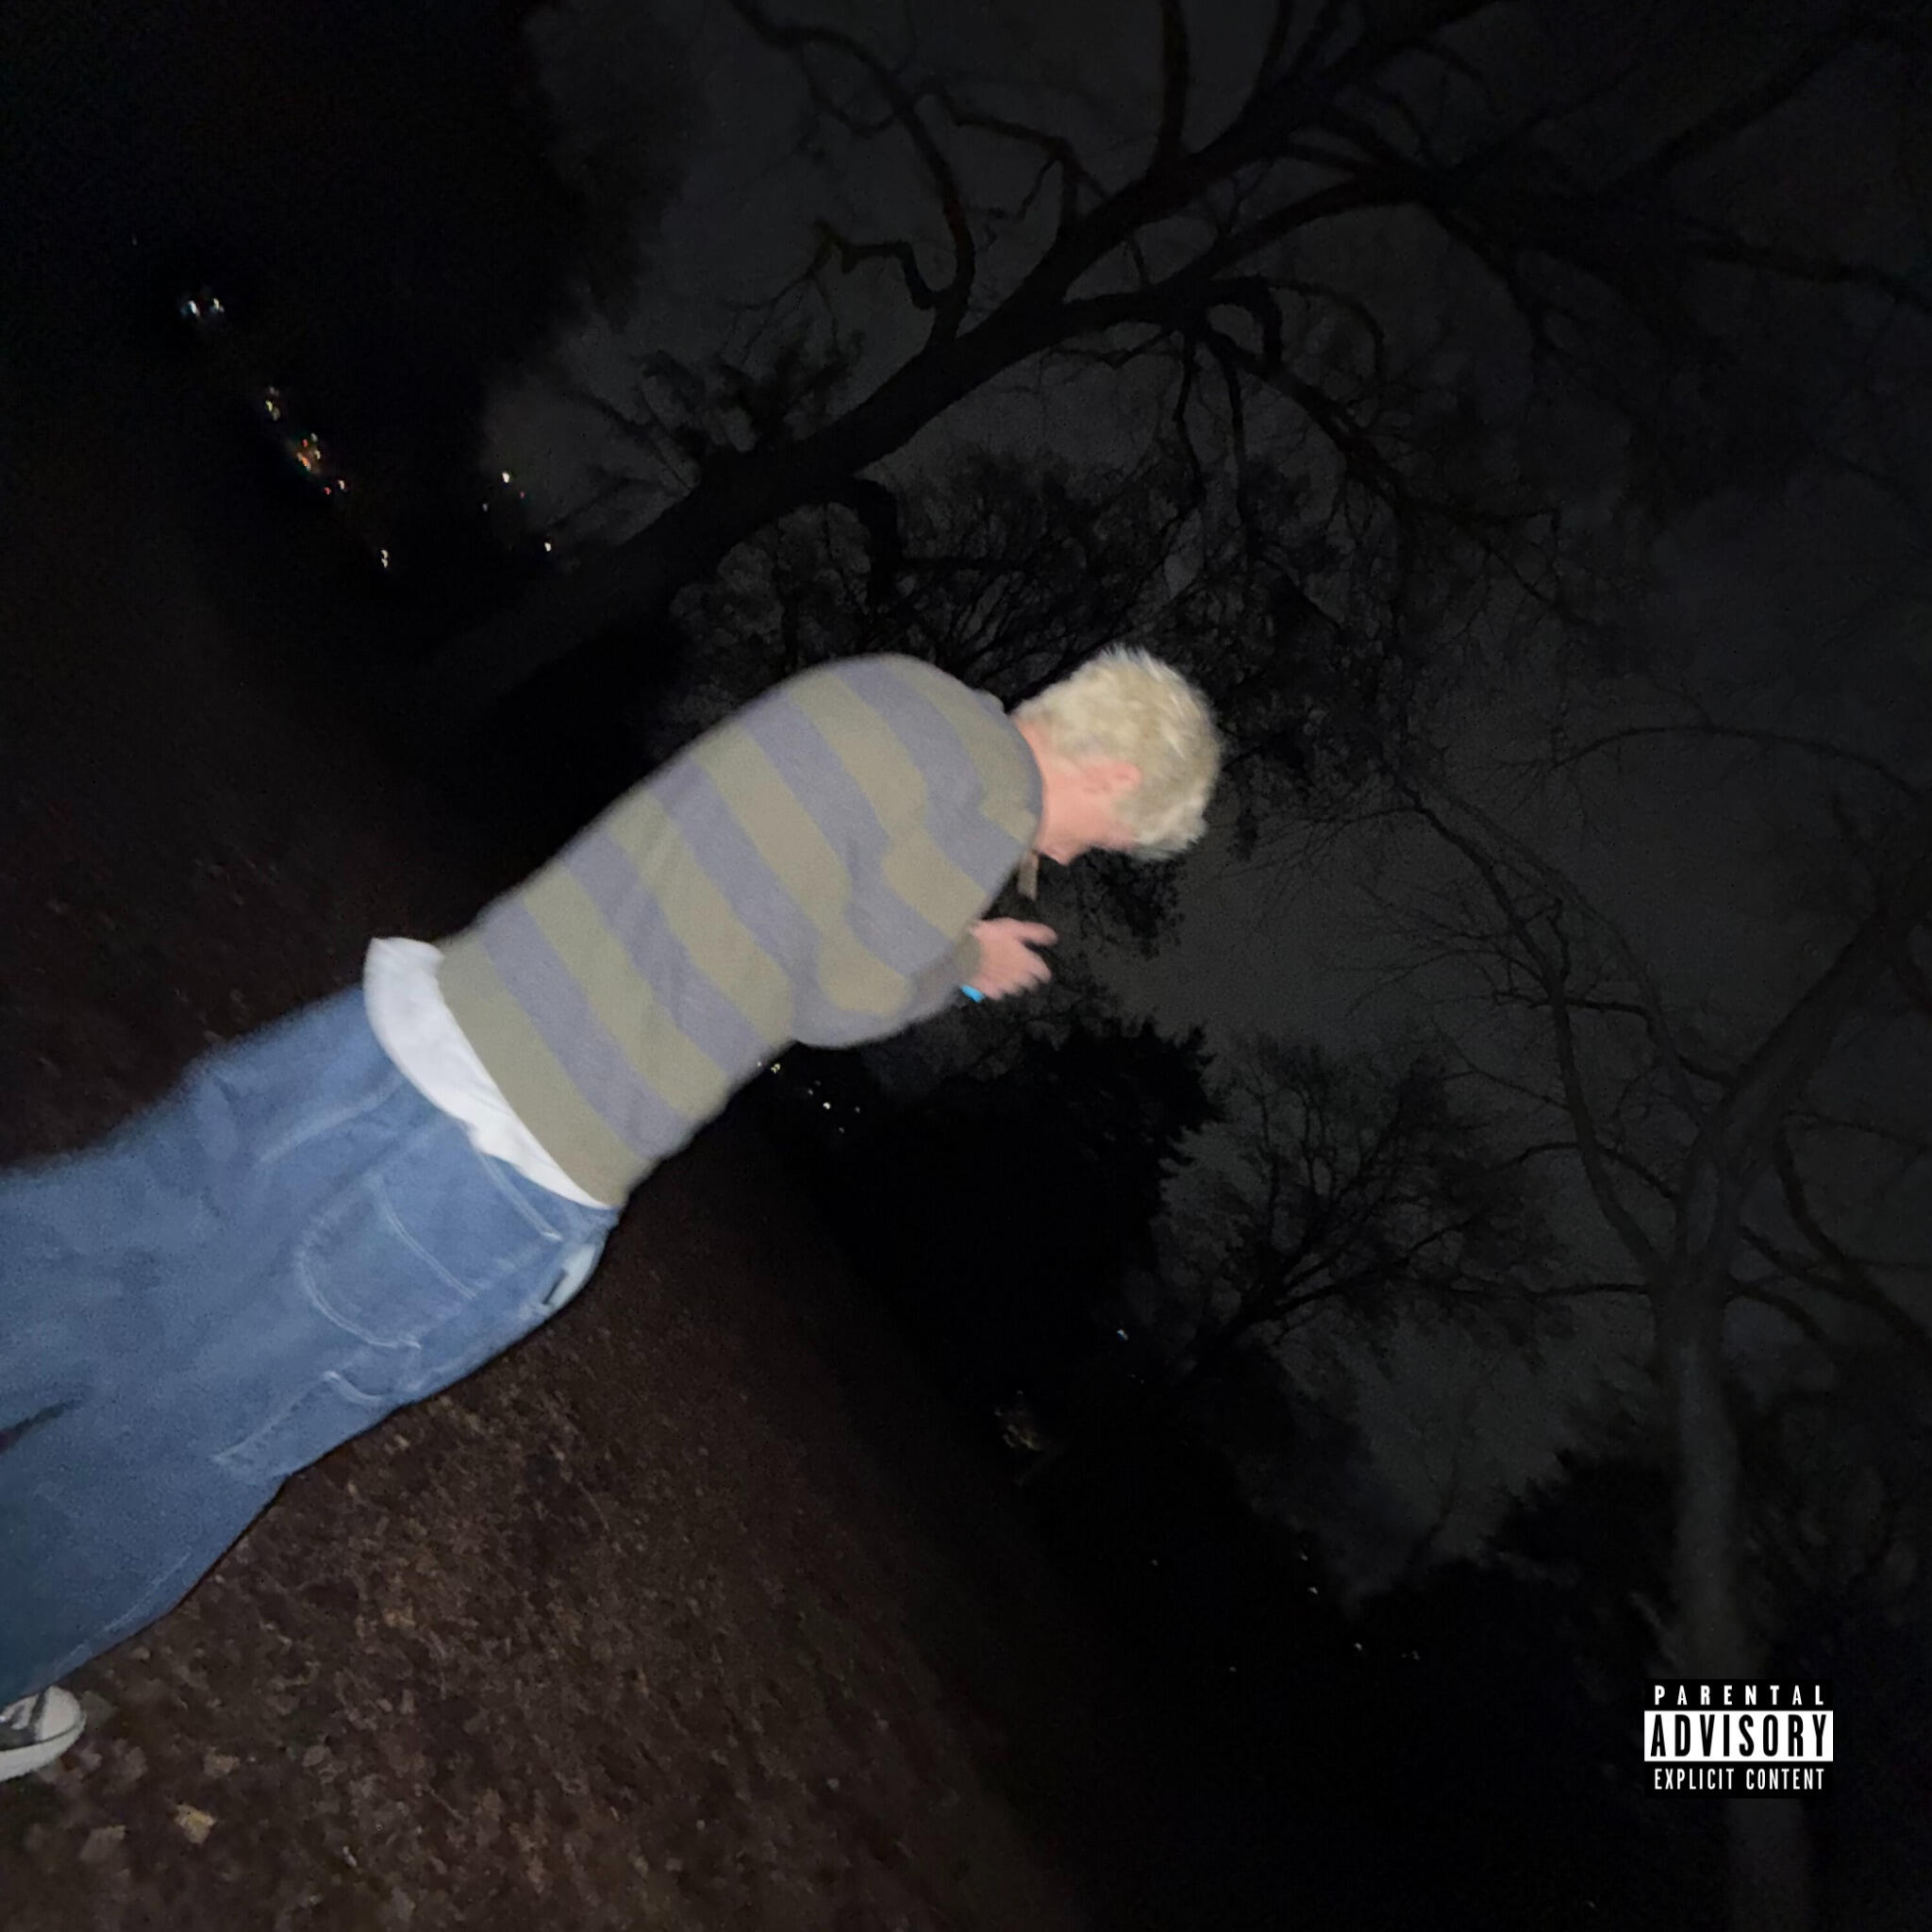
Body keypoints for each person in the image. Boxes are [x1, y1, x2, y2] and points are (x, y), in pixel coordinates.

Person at [0, 645, 1219, 1779]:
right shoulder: (989, 799)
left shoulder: (893, 686)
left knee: (110, 1240)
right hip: (515, 1153)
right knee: (203, 1422)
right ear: (1115, 773)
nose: (1080, 854)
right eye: (1113, 834)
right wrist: (964, 964)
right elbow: (845, 996)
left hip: (420, 1025)